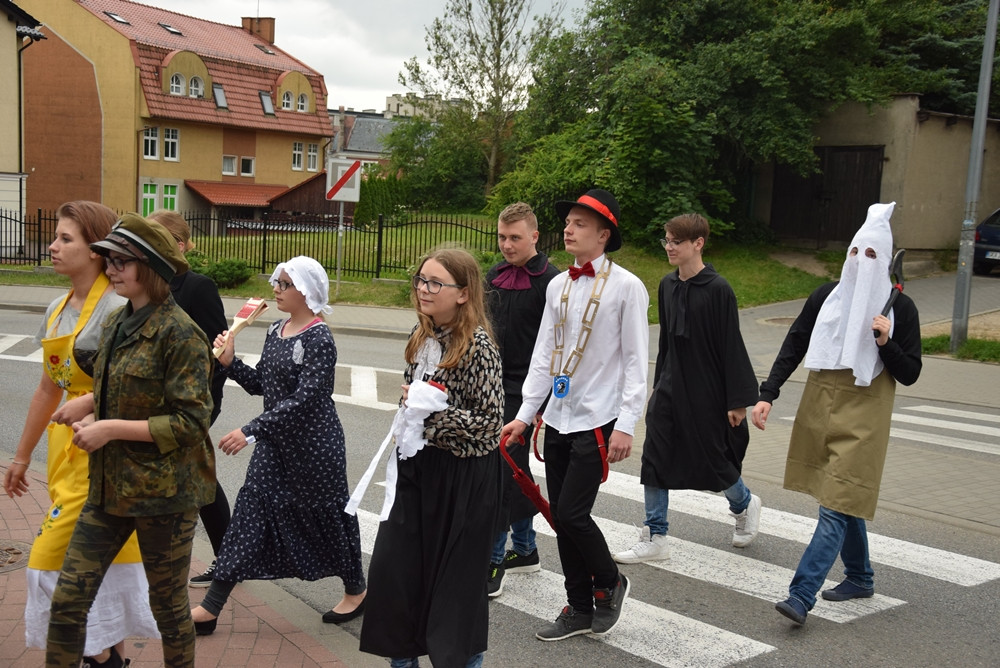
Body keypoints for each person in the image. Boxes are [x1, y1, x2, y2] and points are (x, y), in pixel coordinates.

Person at [45, 212, 215, 668]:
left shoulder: (181, 333)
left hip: (165, 496)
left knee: (169, 611)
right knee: (67, 601)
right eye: (109, 259)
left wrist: (109, 428)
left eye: (123, 260)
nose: (112, 268)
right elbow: (120, 387)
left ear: (154, 267)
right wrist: (87, 405)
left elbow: (191, 422)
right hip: (109, 489)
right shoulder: (120, 320)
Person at [750, 202, 922, 625]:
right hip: (820, 405)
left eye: (870, 255)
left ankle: (801, 594)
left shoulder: (901, 310)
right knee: (840, 500)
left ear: (883, 260)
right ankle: (861, 576)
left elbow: (912, 373)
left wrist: (886, 341)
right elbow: (795, 343)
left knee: (835, 503)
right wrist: (767, 392)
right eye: (854, 252)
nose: (860, 262)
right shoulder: (826, 297)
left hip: (865, 417)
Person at [3, 202, 159, 668]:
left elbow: (145, 389)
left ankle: (97, 655)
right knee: (100, 563)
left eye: (66, 239)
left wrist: (94, 407)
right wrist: (20, 457)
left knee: (47, 562)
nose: (52, 246)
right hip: (63, 455)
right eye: (55, 236)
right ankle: (110, 658)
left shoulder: (118, 308)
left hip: (105, 454)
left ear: (96, 251)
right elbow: (47, 389)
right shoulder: (55, 309)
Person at [500, 189, 649, 641]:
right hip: (559, 416)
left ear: (604, 235)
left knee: (572, 513)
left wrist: (627, 423)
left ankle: (609, 583)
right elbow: (545, 353)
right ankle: (579, 606)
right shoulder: (559, 285)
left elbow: (637, 361)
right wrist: (525, 415)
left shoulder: (627, 287)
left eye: (581, 223)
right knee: (561, 518)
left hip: (598, 418)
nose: (568, 228)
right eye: (568, 221)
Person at [190, 256, 367, 632]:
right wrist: (229, 361)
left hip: (315, 448)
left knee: (331, 518)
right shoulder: (275, 330)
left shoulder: (319, 337)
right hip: (275, 445)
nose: (276, 288)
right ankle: (211, 607)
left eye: (285, 284)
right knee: (249, 515)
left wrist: (250, 430)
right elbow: (263, 387)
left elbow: (306, 400)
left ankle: (356, 589)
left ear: (306, 291)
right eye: (277, 282)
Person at [359, 248, 504, 668]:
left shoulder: (478, 346)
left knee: (455, 599)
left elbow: (489, 427)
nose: (424, 289)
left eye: (435, 283)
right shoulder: (422, 334)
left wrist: (433, 416)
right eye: (421, 280)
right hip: (417, 471)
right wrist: (413, 413)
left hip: (463, 481)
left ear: (463, 293)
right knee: (394, 581)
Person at [615, 213, 760, 565]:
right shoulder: (667, 285)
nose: (669, 247)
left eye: (676, 241)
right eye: (666, 240)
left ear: (698, 243)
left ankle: (744, 504)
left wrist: (738, 401)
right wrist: (657, 385)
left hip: (707, 389)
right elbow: (666, 341)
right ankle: (655, 534)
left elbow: (730, 344)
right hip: (670, 386)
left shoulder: (718, 289)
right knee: (655, 457)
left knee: (714, 459)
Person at [147, 210, 231, 587]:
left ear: (179, 245)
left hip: (196, 402)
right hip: (160, 401)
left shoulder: (198, 287)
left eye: (156, 239)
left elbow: (218, 349)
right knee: (198, 477)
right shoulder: (151, 284)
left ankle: (227, 560)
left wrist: (204, 404)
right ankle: (229, 558)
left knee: (200, 479)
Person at [483, 202, 560, 597]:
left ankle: (494, 560)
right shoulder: (493, 276)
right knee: (512, 469)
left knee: (502, 468)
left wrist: (544, 401)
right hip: (491, 385)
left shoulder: (553, 281)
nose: (507, 245)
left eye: (515, 237)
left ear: (534, 236)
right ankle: (526, 550)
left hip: (529, 391)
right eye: (501, 237)